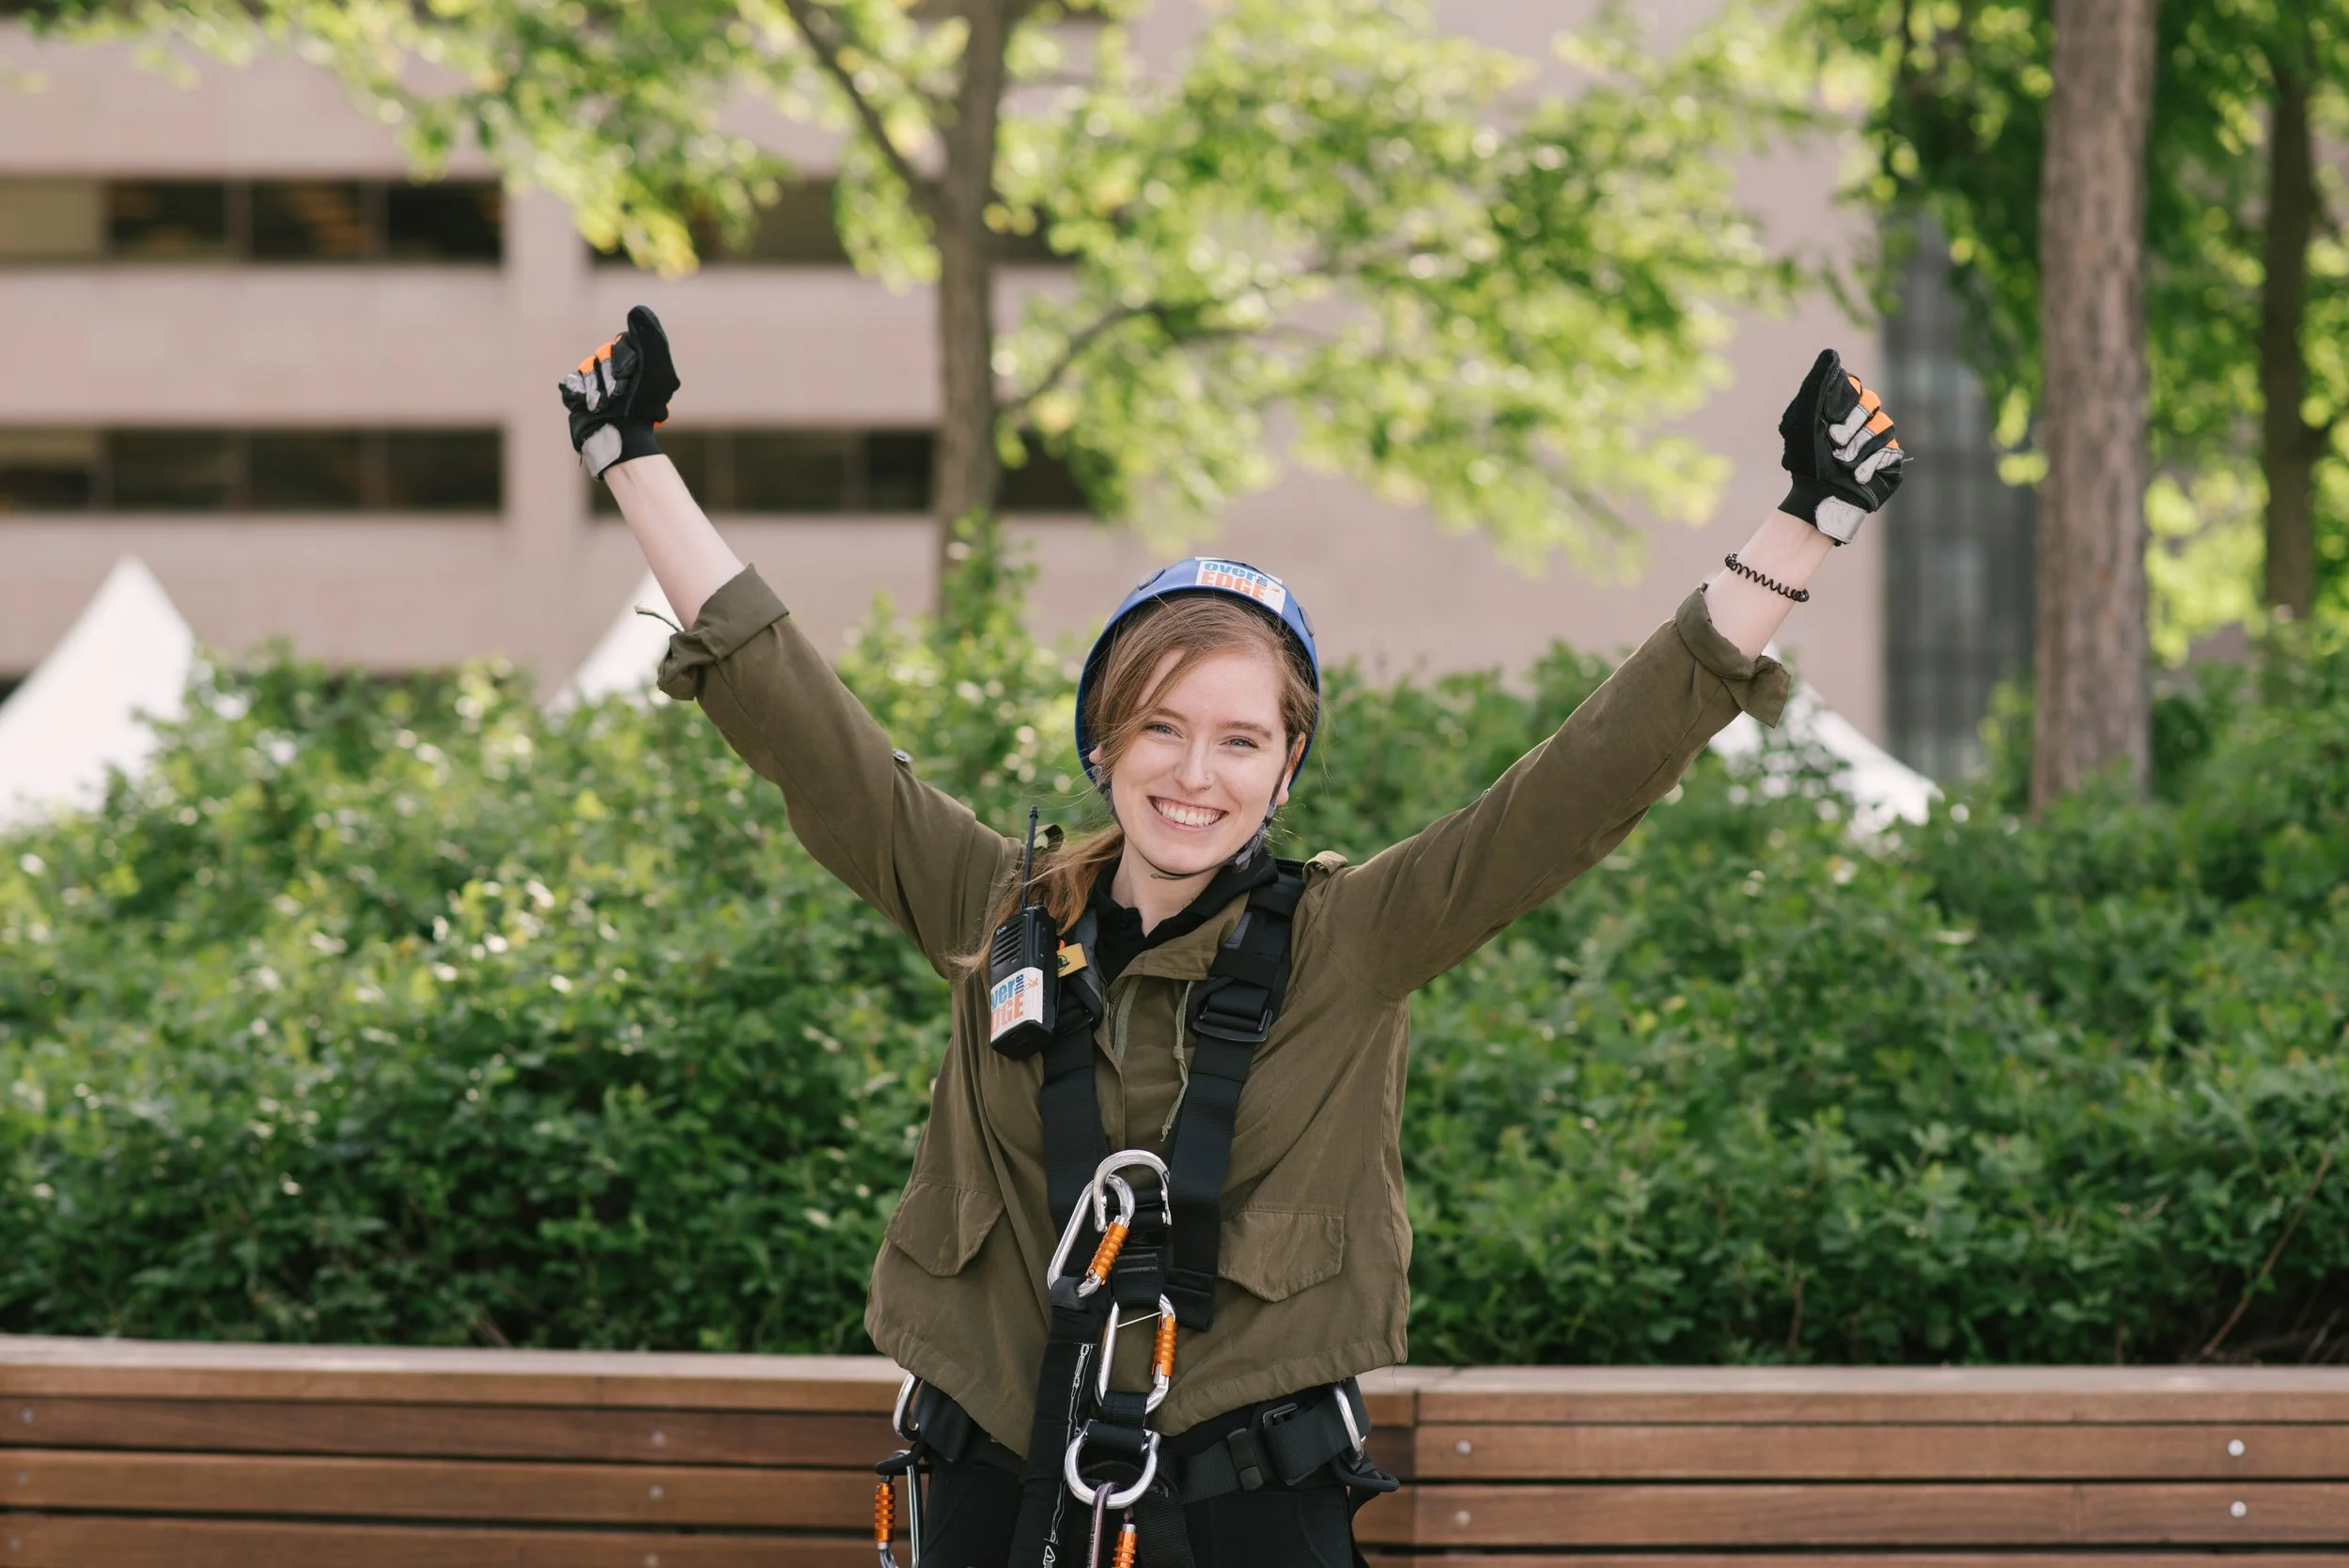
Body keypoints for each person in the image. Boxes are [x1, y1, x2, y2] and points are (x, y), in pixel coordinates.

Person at [560, 308, 1905, 1568]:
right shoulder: (995, 909)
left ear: (1287, 765)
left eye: (1239, 738)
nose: (1193, 773)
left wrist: (1808, 521)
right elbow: (800, 722)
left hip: (1249, 1507)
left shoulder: (1355, 937)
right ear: (1104, 742)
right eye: (1159, 726)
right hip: (989, 1497)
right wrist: (630, 459)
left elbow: (1579, 788)